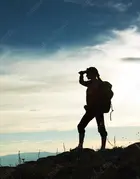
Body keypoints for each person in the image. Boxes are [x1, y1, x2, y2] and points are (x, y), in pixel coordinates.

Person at [76, 67, 108, 150]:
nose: (86, 75)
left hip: (96, 110)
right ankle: (81, 146)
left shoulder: (98, 84)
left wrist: (81, 74)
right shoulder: (92, 83)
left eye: (88, 74)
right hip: (93, 110)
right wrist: (81, 75)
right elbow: (81, 82)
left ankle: (102, 147)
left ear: (92, 74)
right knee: (82, 126)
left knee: (99, 128)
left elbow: (82, 83)